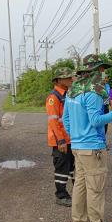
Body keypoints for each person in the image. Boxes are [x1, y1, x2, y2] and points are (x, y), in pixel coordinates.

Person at [63, 67, 112, 222]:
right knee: (95, 187)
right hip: (92, 147)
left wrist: (76, 136)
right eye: (103, 70)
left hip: (77, 146)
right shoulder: (93, 92)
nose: (105, 74)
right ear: (95, 72)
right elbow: (96, 120)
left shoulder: (72, 92)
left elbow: (66, 119)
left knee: (80, 185)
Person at [46, 67, 75, 207]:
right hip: (60, 140)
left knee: (71, 167)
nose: (71, 79)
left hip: (70, 138)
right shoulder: (54, 97)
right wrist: (61, 140)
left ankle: (78, 193)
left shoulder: (67, 94)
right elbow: (53, 121)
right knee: (62, 168)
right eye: (68, 77)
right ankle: (61, 195)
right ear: (59, 80)